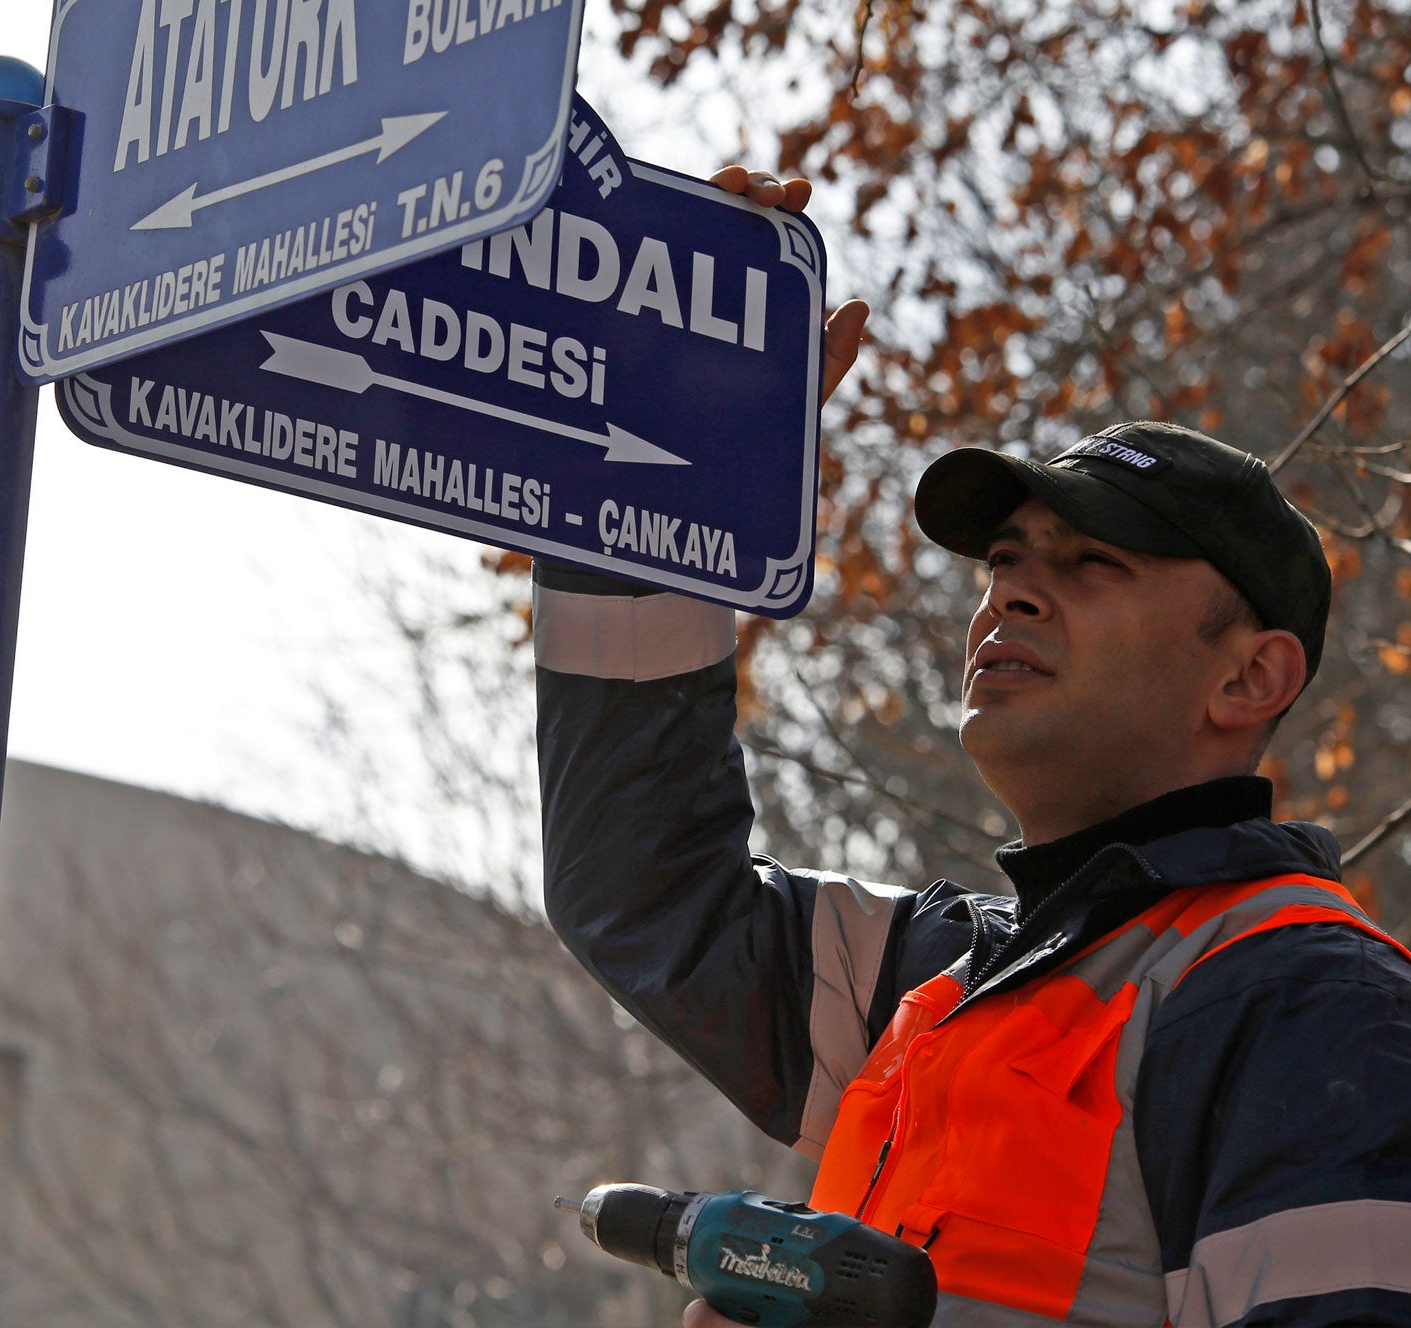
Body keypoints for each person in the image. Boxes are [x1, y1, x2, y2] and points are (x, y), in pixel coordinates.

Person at [537, 168, 1411, 1328]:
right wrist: (663, 492)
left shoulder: (1301, 999)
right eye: (1004, 560)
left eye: (1092, 564)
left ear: (1248, 677)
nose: (1012, 595)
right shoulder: (933, 983)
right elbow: (638, 891)